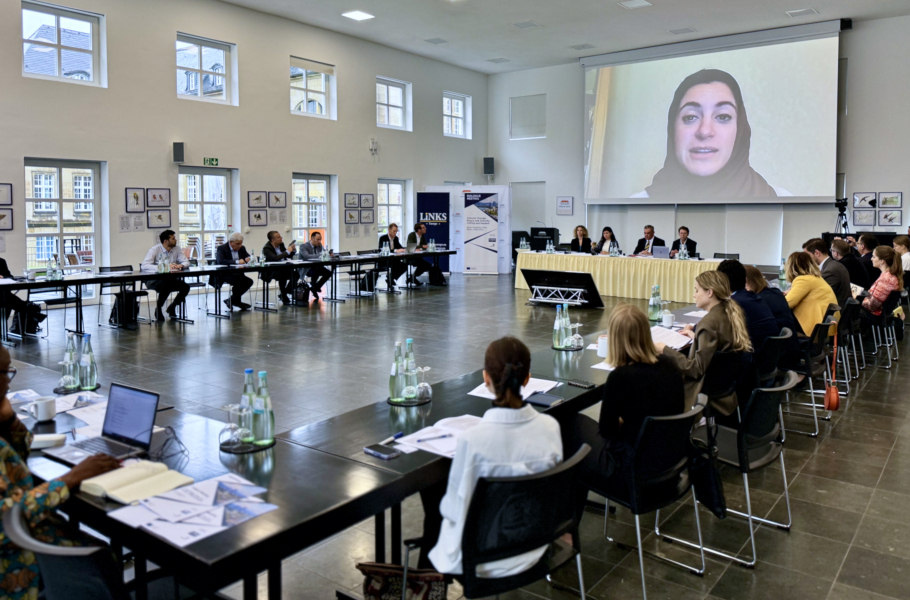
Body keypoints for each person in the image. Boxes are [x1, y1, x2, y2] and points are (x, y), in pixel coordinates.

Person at [419, 336, 563, 577]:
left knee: (432, 496)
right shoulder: (550, 428)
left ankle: (427, 583)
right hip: (533, 547)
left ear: (486, 379)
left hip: (482, 558)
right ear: (527, 379)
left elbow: (454, 509)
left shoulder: (472, 440)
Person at [0, 346, 121, 599]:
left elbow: (16, 460)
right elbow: (8, 518)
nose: (9, 383)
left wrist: (10, 420)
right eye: (5, 373)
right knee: (100, 558)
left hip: (29, 542)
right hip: (16, 566)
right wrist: (71, 478)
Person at [566, 304, 685, 513]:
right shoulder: (670, 365)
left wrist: (624, 423)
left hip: (632, 473)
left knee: (573, 426)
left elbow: (607, 431)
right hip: (669, 465)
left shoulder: (621, 377)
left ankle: (567, 520)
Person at [632, 69, 790, 198]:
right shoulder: (637, 206)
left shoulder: (781, 202)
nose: (704, 131)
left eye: (723, 117)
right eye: (690, 117)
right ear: (672, 130)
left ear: (740, 131)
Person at [656, 270, 752, 415]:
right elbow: (719, 345)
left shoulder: (708, 323)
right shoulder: (729, 312)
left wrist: (665, 350)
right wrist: (696, 336)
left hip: (704, 389)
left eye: (696, 290)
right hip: (725, 387)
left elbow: (695, 369)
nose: (694, 295)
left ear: (710, 292)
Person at [716, 260, 779, 353]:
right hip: (765, 357)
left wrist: (691, 329)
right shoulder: (754, 297)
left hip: (750, 357)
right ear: (745, 280)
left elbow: (713, 328)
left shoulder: (734, 303)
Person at [744, 265, 800, 367]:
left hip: (776, 356)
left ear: (746, 282)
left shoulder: (759, 301)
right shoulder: (775, 292)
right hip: (788, 349)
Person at [782, 251, 838, 336]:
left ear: (791, 267)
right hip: (825, 325)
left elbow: (787, 304)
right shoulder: (814, 278)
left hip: (814, 328)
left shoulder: (803, 280)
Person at [140, 229, 190, 321]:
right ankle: (158, 309)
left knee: (185, 287)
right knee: (166, 287)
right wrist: (164, 267)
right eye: (173, 238)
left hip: (169, 279)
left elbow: (186, 262)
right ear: (166, 241)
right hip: (154, 280)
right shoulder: (155, 249)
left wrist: (180, 265)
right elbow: (144, 266)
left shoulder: (177, 248)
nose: (176, 240)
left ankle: (172, 306)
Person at [859, 246, 904, 333]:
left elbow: (872, 306)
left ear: (882, 261)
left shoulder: (886, 279)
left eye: (874, 257)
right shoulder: (888, 275)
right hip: (878, 313)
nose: (871, 259)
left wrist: (858, 299)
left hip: (874, 315)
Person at [0, 258, 45, 335]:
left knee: (7, 300)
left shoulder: (1, 261)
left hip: (3, 293)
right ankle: (31, 311)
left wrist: (3, 277)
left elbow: (10, 277)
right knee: (8, 300)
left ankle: (29, 310)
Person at [803, 238, 851, 308]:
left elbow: (821, 297)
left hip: (835, 313)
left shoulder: (830, 270)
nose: (806, 259)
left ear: (817, 253)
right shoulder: (832, 265)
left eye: (807, 255)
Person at [214, 233, 254, 311]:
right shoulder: (222, 248)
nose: (240, 246)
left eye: (241, 243)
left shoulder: (242, 248)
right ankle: (236, 301)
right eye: (238, 244)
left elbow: (248, 256)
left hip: (238, 273)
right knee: (239, 281)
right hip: (225, 273)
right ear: (231, 242)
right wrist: (237, 262)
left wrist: (248, 258)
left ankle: (232, 300)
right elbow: (220, 261)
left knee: (249, 281)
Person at [261, 231, 296, 305]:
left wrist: (292, 251)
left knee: (296, 274)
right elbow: (275, 258)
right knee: (282, 274)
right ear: (273, 240)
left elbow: (286, 256)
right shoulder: (267, 248)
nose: (281, 238)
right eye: (279, 237)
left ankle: (285, 292)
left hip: (283, 267)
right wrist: (287, 252)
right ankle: (283, 294)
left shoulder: (281, 244)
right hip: (272, 270)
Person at [297, 231, 332, 299]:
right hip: (306, 268)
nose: (319, 241)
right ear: (312, 238)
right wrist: (321, 255)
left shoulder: (320, 246)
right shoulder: (303, 246)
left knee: (328, 272)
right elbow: (307, 256)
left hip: (317, 266)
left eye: (320, 240)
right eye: (318, 240)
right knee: (316, 271)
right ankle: (314, 286)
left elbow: (324, 253)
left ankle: (316, 287)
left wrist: (328, 254)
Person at [378, 223, 408, 289]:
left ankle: (391, 278)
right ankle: (390, 279)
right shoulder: (383, 238)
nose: (395, 233)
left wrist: (404, 250)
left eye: (396, 231)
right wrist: (395, 251)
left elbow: (400, 247)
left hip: (394, 260)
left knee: (404, 266)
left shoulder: (396, 239)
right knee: (393, 265)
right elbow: (383, 250)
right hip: (384, 261)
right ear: (389, 230)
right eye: (394, 231)